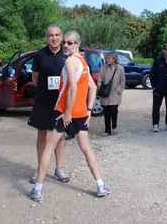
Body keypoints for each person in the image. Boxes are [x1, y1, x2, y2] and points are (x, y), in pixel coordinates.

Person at [27, 30, 110, 202]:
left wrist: (66, 113)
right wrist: (88, 111)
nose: (65, 45)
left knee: (49, 148)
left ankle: (38, 189)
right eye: (64, 42)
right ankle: (101, 185)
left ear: (77, 44)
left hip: (65, 112)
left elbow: (72, 88)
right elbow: (92, 88)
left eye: (69, 43)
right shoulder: (84, 63)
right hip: (80, 113)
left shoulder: (70, 61)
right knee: (86, 148)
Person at [28, 25, 69, 184]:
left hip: (60, 102)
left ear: (61, 37)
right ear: (46, 38)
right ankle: (40, 169)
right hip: (43, 102)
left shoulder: (67, 55)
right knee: (42, 136)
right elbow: (35, 77)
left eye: (57, 35)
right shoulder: (40, 55)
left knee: (59, 137)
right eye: (51, 35)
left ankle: (59, 169)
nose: (54, 38)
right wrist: (44, 91)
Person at [149, 43, 167, 132]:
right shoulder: (158, 60)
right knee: (156, 107)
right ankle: (155, 124)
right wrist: (153, 86)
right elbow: (152, 74)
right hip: (159, 87)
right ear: (164, 50)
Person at [97, 51, 125, 136]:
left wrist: (118, 91)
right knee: (106, 112)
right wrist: (100, 89)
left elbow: (122, 82)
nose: (107, 60)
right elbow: (99, 80)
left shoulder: (120, 69)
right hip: (105, 93)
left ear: (114, 59)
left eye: (109, 58)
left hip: (115, 93)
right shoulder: (103, 68)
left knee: (113, 110)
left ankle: (114, 126)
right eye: (106, 58)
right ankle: (107, 130)